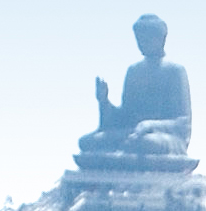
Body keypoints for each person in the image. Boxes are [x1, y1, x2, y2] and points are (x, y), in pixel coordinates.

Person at [79, 14, 193, 157]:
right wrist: (104, 101)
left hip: (162, 138)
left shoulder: (175, 71)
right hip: (131, 134)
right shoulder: (134, 71)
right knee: (86, 143)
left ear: (161, 38)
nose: (141, 43)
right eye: (139, 39)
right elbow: (123, 117)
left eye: (146, 39)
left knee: (148, 143)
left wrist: (149, 125)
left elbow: (183, 123)